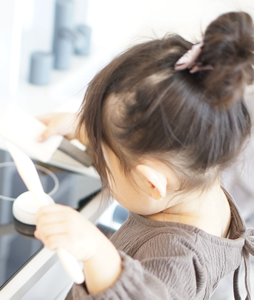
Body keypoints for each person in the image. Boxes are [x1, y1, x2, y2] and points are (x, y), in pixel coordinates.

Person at [34, 11, 254, 299]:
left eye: (104, 162)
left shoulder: (178, 262)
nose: (101, 166)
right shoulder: (199, 176)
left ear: (152, 183)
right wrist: (88, 130)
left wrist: (97, 252)